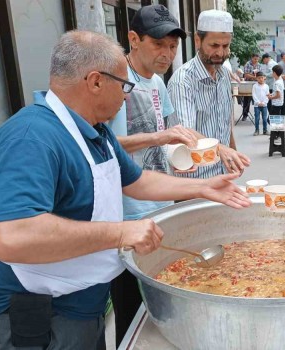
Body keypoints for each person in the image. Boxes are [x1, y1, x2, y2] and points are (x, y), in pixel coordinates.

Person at [0, 30, 251, 350]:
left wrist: (203, 186)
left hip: (83, 306)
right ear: (95, 82)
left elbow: (137, 180)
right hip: (34, 316)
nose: (126, 96)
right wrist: (121, 233)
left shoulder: (94, 131)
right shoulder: (31, 137)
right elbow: (8, 236)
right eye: (123, 86)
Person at [105, 4, 194, 344]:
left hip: (159, 203)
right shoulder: (115, 81)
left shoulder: (157, 81)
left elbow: (171, 129)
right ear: (133, 39)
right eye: (159, 44)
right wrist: (160, 137)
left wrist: (213, 150)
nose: (167, 53)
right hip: (125, 211)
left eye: (172, 46)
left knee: (161, 301)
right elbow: (104, 144)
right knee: (130, 306)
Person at [167, 9, 251, 179]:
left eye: (225, 46)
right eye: (214, 46)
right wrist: (222, 149)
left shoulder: (223, 75)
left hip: (222, 174)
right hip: (194, 181)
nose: (220, 53)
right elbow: (185, 132)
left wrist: (232, 154)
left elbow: (225, 123)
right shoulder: (183, 81)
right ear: (198, 40)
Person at [241, 53, 261, 121]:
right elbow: (246, 75)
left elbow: (260, 74)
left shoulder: (259, 65)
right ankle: (245, 115)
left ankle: (257, 115)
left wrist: (258, 78)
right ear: (252, 58)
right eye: (255, 59)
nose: (256, 60)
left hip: (257, 84)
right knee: (247, 100)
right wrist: (254, 77)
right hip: (248, 84)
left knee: (257, 100)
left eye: (257, 59)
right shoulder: (247, 64)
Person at [252, 71, 270, 136]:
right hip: (257, 105)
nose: (261, 79)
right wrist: (258, 102)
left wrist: (264, 102)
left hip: (264, 105)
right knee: (257, 118)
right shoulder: (255, 86)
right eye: (259, 78)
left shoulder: (266, 86)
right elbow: (254, 95)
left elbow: (268, 95)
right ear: (256, 78)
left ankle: (265, 130)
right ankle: (257, 130)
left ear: (264, 78)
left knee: (264, 118)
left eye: (262, 78)